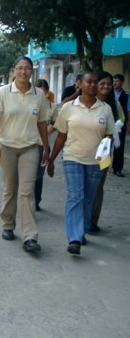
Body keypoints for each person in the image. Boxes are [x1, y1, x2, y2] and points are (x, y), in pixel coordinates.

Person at [48, 71, 115, 255]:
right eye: (89, 82)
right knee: (75, 196)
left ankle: (82, 230)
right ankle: (74, 238)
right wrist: (52, 159)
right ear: (80, 84)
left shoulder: (105, 109)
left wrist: (106, 160)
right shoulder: (69, 107)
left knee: (88, 198)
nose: (93, 85)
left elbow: (109, 136)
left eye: (96, 82)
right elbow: (61, 135)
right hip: (72, 157)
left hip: (96, 161)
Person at [0, 56, 49, 252]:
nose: (23, 72)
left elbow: (41, 123)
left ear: (32, 71)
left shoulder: (39, 95)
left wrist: (46, 148)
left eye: (27, 68)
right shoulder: (3, 92)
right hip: (7, 147)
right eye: (20, 68)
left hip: (30, 147)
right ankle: (8, 223)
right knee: (10, 188)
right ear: (14, 70)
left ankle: (30, 236)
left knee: (27, 192)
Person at [91, 72, 125, 233]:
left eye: (109, 84)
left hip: (105, 151)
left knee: (98, 186)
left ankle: (93, 221)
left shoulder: (114, 104)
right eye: (102, 83)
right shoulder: (88, 102)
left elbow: (123, 119)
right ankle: (82, 219)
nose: (106, 87)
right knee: (84, 186)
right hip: (85, 149)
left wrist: (116, 127)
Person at [33, 79, 58, 211]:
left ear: (47, 92)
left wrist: (51, 126)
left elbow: (56, 124)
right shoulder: (29, 104)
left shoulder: (52, 107)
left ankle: (36, 201)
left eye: (43, 93)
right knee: (27, 175)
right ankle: (26, 199)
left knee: (38, 176)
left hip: (43, 145)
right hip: (28, 143)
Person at [111, 74, 129, 177]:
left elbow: (128, 110)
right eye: (113, 81)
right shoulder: (109, 94)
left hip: (121, 123)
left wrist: (128, 123)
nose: (114, 83)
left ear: (122, 82)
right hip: (109, 121)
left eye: (116, 81)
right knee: (106, 144)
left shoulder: (126, 95)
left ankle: (118, 168)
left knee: (120, 146)